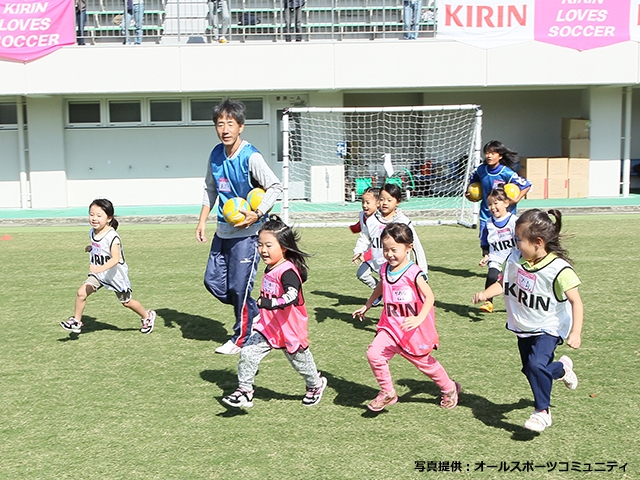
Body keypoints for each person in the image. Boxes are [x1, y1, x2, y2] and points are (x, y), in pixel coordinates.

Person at [472, 209, 584, 432]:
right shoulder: (515, 258)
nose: (515, 245)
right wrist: (486, 294)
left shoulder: (558, 269)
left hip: (550, 326)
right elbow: (505, 283)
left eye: (519, 240)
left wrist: (575, 333)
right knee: (531, 369)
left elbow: (576, 302)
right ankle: (561, 369)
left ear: (538, 242)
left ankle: (542, 411)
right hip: (524, 326)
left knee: (535, 365)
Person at [196, 99, 283, 355]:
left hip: (248, 234)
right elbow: (210, 189)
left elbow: (275, 186)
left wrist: (257, 213)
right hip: (223, 231)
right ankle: (255, 315)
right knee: (213, 282)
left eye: (230, 124)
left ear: (241, 126)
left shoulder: (250, 156)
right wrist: (202, 220)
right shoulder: (215, 154)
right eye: (220, 124)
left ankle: (241, 337)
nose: (224, 129)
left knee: (239, 287)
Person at [222, 215, 327, 408]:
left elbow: (292, 296)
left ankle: (316, 384)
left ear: (284, 247)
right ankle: (245, 392)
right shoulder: (271, 267)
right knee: (248, 352)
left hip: (290, 329)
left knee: (300, 362)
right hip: (268, 327)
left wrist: (270, 303)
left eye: (269, 245)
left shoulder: (287, 271)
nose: (263, 250)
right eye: (260, 244)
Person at [353, 223, 460, 412]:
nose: (389, 254)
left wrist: (418, 319)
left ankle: (449, 388)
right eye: (386, 249)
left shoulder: (414, 273)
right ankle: (387, 392)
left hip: (411, 331)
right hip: (390, 327)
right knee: (374, 354)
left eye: (394, 249)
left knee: (426, 365)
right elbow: (381, 286)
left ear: (408, 248)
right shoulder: (385, 269)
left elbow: (430, 297)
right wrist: (368, 304)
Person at [60, 198, 156, 335]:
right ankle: (76, 321)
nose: (94, 218)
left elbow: (115, 258)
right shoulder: (92, 232)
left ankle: (147, 316)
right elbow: (99, 247)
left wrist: (100, 268)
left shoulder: (112, 237)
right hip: (99, 275)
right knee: (81, 293)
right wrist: (91, 248)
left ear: (109, 218)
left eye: (99, 215)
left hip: (115, 276)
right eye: (91, 214)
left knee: (127, 302)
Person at [352, 182, 428, 288]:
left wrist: (423, 271)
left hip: (397, 265)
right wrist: (359, 251)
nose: (385, 203)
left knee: (398, 291)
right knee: (364, 275)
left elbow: (416, 246)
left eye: (389, 200)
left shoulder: (403, 221)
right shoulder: (372, 220)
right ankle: (379, 295)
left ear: (397, 202)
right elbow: (364, 237)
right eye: (382, 199)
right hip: (376, 262)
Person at [466, 140, 531, 259]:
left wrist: (516, 200)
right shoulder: (481, 170)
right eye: (487, 153)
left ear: (500, 156)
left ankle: (513, 261)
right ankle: (488, 259)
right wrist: (470, 194)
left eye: (493, 153)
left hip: (505, 214)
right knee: (485, 237)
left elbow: (526, 185)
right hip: (487, 212)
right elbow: (472, 184)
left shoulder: (506, 172)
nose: (489, 156)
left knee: (508, 240)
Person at [477, 184, 518, 314]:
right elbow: (485, 240)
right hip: (496, 255)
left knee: (515, 279)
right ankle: (489, 302)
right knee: (492, 275)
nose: (493, 207)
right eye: (489, 204)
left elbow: (521, 238)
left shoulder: (514, 221)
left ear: (506, 203)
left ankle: (519, 302)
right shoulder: (488, 223)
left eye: (496, 203)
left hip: (514, 254)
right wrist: (486, 254)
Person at [350, 187, 380, 292]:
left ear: (378, 203)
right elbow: (364, 235)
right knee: (362, 274)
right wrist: (358, 251)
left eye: (368, 202)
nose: (364, 205)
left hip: (384, 255)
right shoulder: (363, 215)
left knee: (390, 279)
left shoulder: (382, 219)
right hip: (369, 253)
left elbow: (380, 244)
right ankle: (378, 291)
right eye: (362, 202)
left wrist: (366, 255)